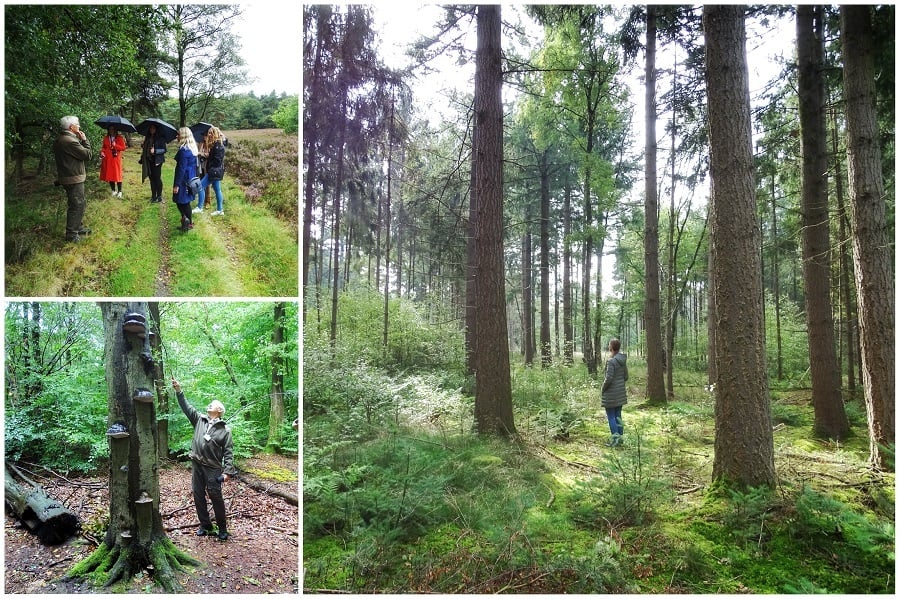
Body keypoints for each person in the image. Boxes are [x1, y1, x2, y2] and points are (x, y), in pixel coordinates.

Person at [172, 378, 236, 541]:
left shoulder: (225, 430)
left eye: (213, 404)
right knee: (198, 495)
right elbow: (186, 407)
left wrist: (228, 472)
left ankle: (222, 528)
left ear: (219, 410)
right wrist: (179, 391)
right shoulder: (199, 419)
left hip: (213, 468)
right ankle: (205, 525)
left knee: (216, 497)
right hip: (197, 464)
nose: (209, 405)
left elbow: (228, 451)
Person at [53, 116, 93, 242]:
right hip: (73, 178)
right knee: (77, 205)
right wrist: (85, 140)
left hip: (68, 177)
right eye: (77, 124)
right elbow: (87, 155)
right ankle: (71, 235)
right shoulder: (70, 141)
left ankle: (78, 227)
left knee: (78, 203)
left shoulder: (61, 139)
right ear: (71, 127)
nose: (79, 126)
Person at [601, 338, 628, 447]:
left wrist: (603, 388)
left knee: (611, 416)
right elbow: (626, 376)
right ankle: (620, 440)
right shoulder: (622, 360)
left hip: (611, 394)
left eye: (609, 345)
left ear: (611, 347)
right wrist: (620, 384)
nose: (608, 346)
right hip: (620, 393)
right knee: (618, 416)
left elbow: (609, 378)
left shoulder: (611, 361)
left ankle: (615, 441)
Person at [172, 127, 199, 231]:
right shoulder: (192, 148)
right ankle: (187, 221)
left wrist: (176, 184)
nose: (176, 136)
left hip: (184, 179)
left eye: (178, 134)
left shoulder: (184, 151)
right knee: (184, 201)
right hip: (190, 177)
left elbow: (181, 169)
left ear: (183, 136)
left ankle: (188, 222)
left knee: (181, 201)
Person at [140, 123, 167, 203]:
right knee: (151, 178)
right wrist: (143, 145)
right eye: (151, 128)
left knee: (157, 178)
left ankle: (159, 196)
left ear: (156, 129)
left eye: (153, 128)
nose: (152, 129)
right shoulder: (148, 137)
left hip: (157, 161)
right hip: (149, 160)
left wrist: (155, 151)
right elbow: (146, 149)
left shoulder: (160, 138)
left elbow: (164, 150)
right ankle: (153, 196)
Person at [204, 126, 227, 216]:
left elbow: (217, 160)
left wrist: (211, 165)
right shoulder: (216, 144)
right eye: (208, 133)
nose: (209, 134)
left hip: (214, 171)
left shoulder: (218, 146)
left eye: (211, 133)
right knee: (217, 189)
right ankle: (220, 210)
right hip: (215, 170)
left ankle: (199, 207)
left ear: (215, 134)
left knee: (200, 186)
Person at [99, 126, 127, 198]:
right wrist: (102, 152)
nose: (111, 130)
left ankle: (120, 191)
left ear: (115, 130)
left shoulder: (119, 138)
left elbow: (123, 148)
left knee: (117, 174)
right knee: (110, 174)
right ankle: (113, 191)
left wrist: (116, 145)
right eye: (110, 129)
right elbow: (104, 147)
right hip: (108, 159)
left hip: (116, 159)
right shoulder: (106, 138)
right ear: (108, 130)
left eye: (113, 129)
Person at [192, 132, 209, 214]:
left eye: (205, 135)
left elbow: (210, 155)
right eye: (203, 135)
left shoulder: (210, 144)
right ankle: (201, 201)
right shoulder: (200, 143)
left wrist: (202, 154)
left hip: (207, 166)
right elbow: (197, 151)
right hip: (200, 165)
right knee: (200, 182)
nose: (204, 137)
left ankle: (207, 201)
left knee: (206, 185)